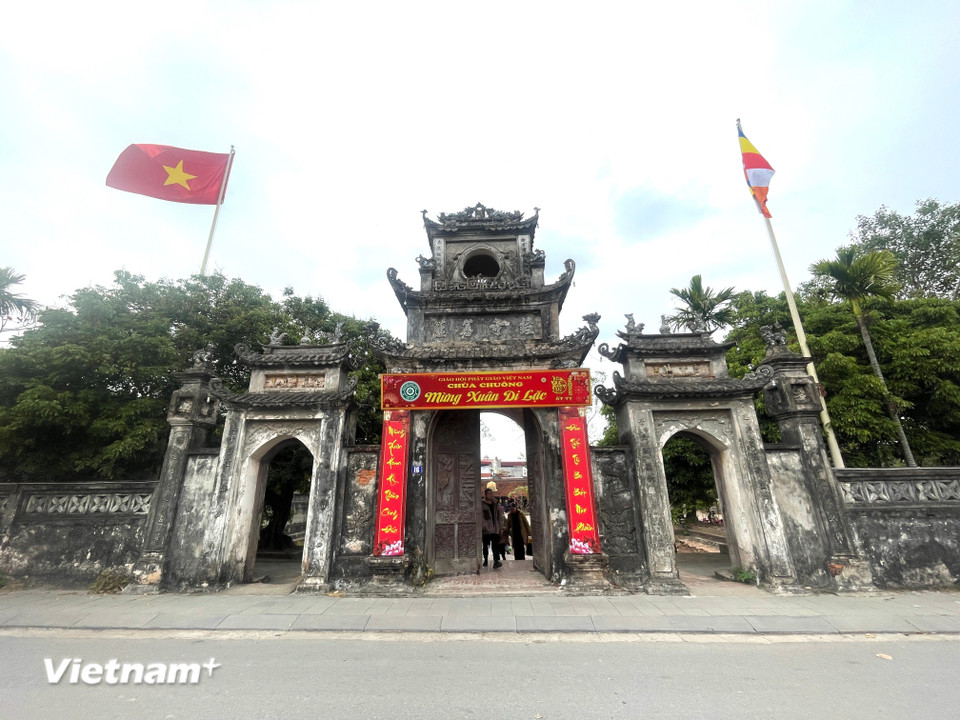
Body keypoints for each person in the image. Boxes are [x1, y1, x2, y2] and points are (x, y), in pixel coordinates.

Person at [480, 487, 503, 569]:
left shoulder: (495, 503)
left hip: (495, 528)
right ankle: (485, 560)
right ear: (485, 494)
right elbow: (481, 517)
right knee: (485, 545)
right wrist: (484, 526)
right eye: (488, 493)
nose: (490, 495)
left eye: (491, 493)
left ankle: (496, 561)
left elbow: (500, 516)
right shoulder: (482, 504)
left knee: (495, 545)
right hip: (486, 529)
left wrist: (501, 527)